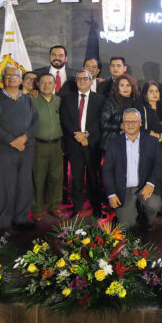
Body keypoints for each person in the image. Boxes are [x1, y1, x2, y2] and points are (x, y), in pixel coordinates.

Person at [0, 65, 39, 232]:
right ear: (2, 79)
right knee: (4, 186)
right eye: (7, 76)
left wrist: (24, 138)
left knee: (24, 186)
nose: (11, 78)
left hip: (26, 149)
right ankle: (3, 222)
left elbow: (35, 122)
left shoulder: (27, 99)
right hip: (3, 150)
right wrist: (11, 141)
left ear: (21, 80)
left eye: (15, 76)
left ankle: (22, 219)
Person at [103, 109, 162, 229]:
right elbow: (107, 171)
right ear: (123, 124)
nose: (130, 124)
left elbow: (159, 165)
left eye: (134, 121)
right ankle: (128, 212)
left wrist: (150, 184)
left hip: (144, 186)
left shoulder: (152, 141)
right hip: (124, 189)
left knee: (154, 205)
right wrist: (111, 194)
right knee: (125, 226)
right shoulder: (113, 143)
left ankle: (146, 219)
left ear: (140, 123)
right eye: (127, 121)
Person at [59, 69, 104, 217]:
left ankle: (96, 207)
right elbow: (65, 119)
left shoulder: (100, 99)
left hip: (92, 144)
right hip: (74, 143)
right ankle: (77, 208)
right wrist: (77, 135)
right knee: (76, 178)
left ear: (91, 81)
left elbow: (100, 122)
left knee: (93, 177)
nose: (82, 81)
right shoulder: (67, 98)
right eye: (79, 79)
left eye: (85, 78)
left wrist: (86, 136)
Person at [31, 73, 64, 220]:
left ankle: (54, 206)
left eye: (49, 83)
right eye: (43, 82)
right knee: (38, 177)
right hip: (39, 145)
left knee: (56, 177)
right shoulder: (32, 100)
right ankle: (37, 208)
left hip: (57, 145)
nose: (46, 85)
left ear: (55, 84)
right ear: (38, 84)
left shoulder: (59, 101)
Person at [100, 74, 141, 150]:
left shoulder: (137, 101)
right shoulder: (111, 101)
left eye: (128, 85)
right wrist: (119, 126)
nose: (125, 88)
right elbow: (103, 123)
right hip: (114, 141)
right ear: (117, 87)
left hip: (134, 141)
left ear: (132, 87)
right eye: (122, 85)